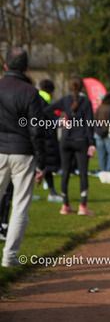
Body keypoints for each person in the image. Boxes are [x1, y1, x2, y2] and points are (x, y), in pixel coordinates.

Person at [0, 48, 46, 266]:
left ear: (5, 66)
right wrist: (41, 164)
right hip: (23, 153)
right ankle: (9, 256)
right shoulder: (30, 92)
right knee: (20, 205)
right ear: (26, 68)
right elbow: (37, 130)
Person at [45, 75, 96, 215]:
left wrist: (58, 121)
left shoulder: (65, 100)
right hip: (81, 140)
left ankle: (65, 205)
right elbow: (89, 124)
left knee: (66, 172)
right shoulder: (86, 102)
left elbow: (46, 110)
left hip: (66, 139)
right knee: (83, 173)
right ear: (82, 87)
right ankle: (83, 206)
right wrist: (92, 143)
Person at [38, 79, 63, 202]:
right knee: (46, 166)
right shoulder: (43, 102)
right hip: (45, 138)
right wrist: (57, 122)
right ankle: (52, 192)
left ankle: (49, 191)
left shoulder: (37, 99)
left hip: (40, 137)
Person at [94, 93, 110, 172]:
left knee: (101, 153)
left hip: (99, 132)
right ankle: (109, 169)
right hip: (108, 132)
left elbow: (95, 120)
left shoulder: (99, 108)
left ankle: (102, 168)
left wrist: (97, 129)